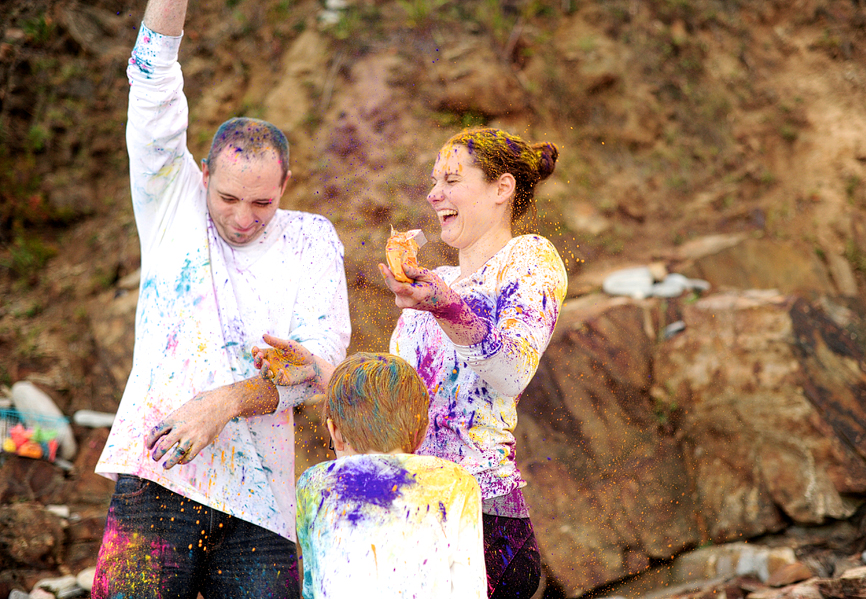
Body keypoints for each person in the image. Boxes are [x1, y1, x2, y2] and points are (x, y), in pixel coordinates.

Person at [90, 0, 351, 597]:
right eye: (229, 198)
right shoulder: (171, 199)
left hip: (263, 504)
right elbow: (152, 82)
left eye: (263, 204)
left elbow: (323, 368)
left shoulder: (312, 238)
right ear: (204, 175)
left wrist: (255, 388)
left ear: (285, 183)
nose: (242, 219)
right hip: (157, 475)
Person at [257, 127, 567, 598]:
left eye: (451, 180)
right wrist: (319, 372)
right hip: (414, 513)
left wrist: (447, 308)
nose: (433, 193)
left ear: (502, 188)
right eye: (433, 180)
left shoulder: (528, 258)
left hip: (484, 523)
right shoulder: (432, 283)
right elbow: (398, 404)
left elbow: (512, 370)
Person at [291, 352, 487, 598]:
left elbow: (313, 583)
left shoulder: (315, 484)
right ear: (422, 431)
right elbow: (470, 588)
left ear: (335, 433)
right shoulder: (456, 483)